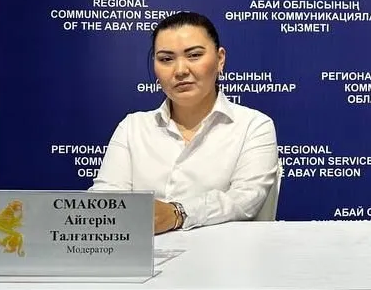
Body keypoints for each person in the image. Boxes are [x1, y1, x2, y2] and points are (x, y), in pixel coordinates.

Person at [91, 12, 279, 234]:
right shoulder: (133, 127)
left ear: (220, 59)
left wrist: (177, 213)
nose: (180, 70)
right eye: (166, 59)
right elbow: (105, 202)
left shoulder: (253, 126)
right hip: (143, 254)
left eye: (194, 55)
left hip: (225, 253)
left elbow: (244, 199)